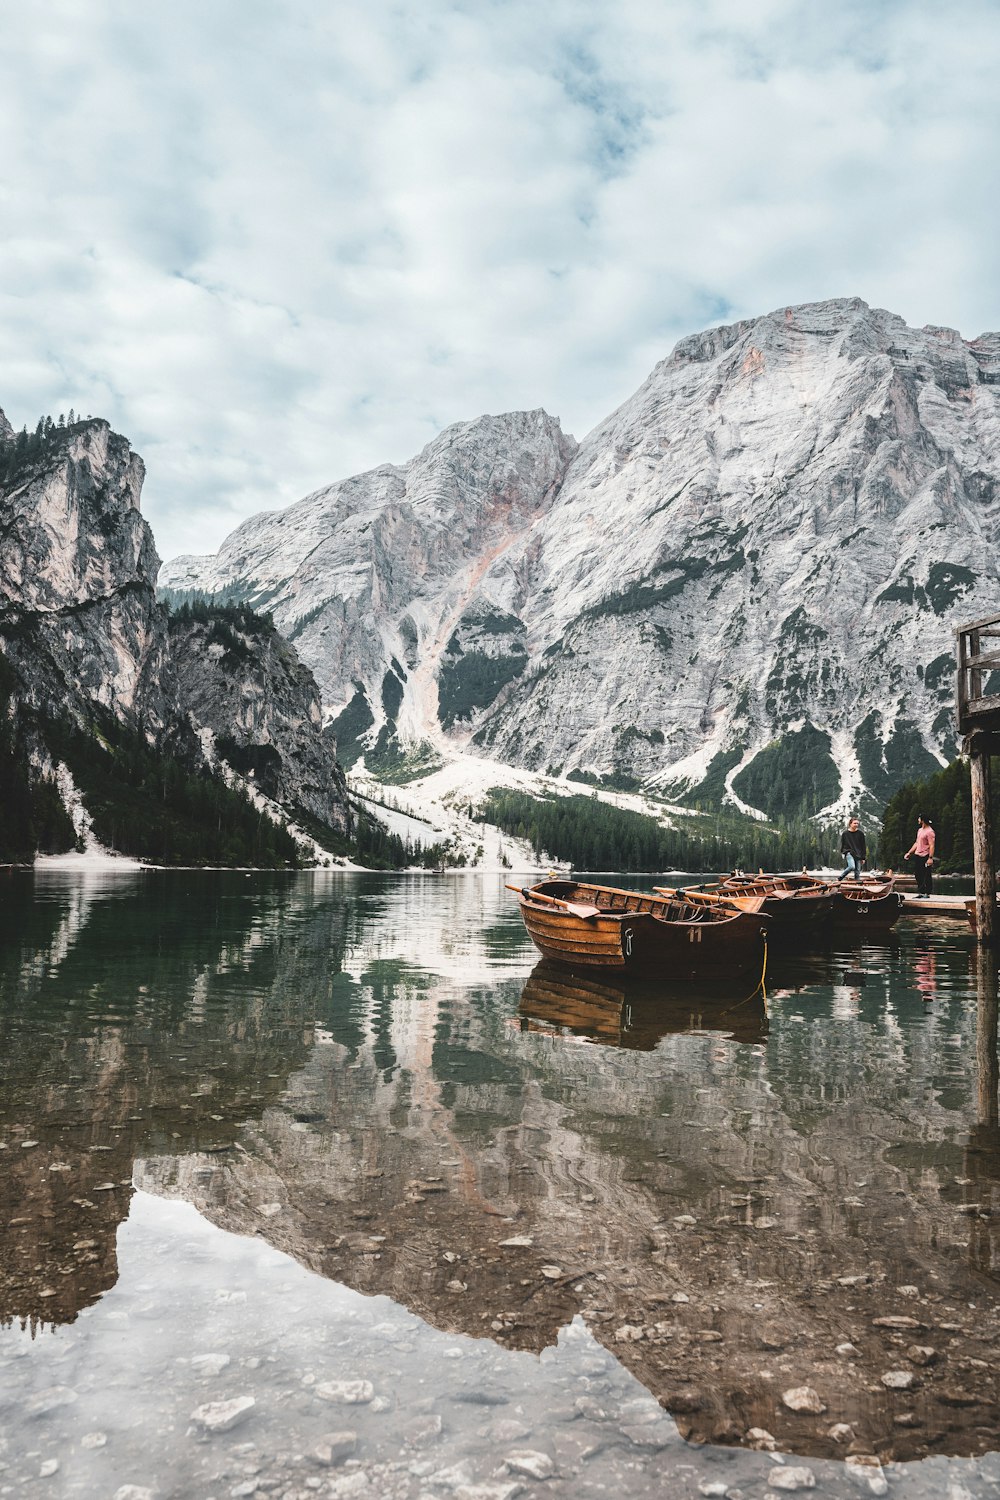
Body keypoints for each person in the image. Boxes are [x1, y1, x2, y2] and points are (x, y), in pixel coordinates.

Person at [905, 815, 935, 897]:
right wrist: (909, 853)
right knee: (918, 874)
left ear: (923, 820)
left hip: (925, 855)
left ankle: (927, 893)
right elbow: (917, 843)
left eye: (919, 818)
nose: (918, 820)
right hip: (918, 854)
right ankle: (921, 892)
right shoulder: (920, 830)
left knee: (926, 874)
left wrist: (930, 858)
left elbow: (932, 845)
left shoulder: (930, 832)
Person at [838, 817, 866, 881]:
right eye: (854, 823)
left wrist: (863, 857)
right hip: (849, 852)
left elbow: (863, 846)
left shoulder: (860, 834)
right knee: (851, 867)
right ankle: (840, 877)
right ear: (850, 824)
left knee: (857, 872)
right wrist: (843, 852)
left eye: (857, 823)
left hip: (858, 854)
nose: (856, 825)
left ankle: (857, 887)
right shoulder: (845, 834)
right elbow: (843, 843)